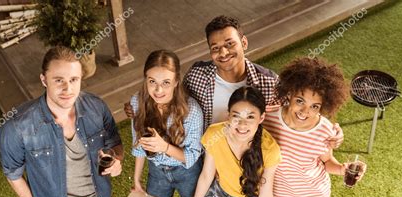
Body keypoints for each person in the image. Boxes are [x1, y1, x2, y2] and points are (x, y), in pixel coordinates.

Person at [0, 46, 123, 197]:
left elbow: (114, 141)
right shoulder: (17, 126)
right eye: (59, 80)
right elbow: (13, 174)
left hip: (98, 196)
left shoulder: (96, 106)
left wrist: (117, 161)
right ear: (44, 80)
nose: (67, 89)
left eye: (74, 79)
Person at [126, 15, 344, 148]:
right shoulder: (197, 75)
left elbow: (299, 109)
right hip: (206, 153)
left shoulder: (269, 82)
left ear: (244, 43)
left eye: (230, 44)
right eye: (215, 48)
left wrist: (328, 130)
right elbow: (173, 100)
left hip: (246, 157)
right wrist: (140, 105)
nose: (223, 52)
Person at [263, 57, 366, 197]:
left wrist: (344, 169)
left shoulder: (325, 129)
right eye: (300, 101)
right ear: (290, 94)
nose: (305, 112)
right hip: (281, 193)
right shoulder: (269, 118)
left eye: (314, 106)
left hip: (313, 193)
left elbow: (327, 163)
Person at [176, 86, 281, 197]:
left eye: (250, 117)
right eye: (236, 116)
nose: (242, 125)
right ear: (228, 115)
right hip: (222, 193)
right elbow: (207, 174)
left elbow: (266, 192)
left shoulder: (270, 149)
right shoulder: (214, 134)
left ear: (261, 118)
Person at [130, 50, 204, 197]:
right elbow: (138, 144)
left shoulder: (192, 111)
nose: (158, 90)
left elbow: (192, 156)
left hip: (187, 172)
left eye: (166, 82)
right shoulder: (137, 102)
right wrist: (136, 179)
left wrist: (164, 147)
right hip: (156, 171)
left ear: (176, 81)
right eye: (152, 82)